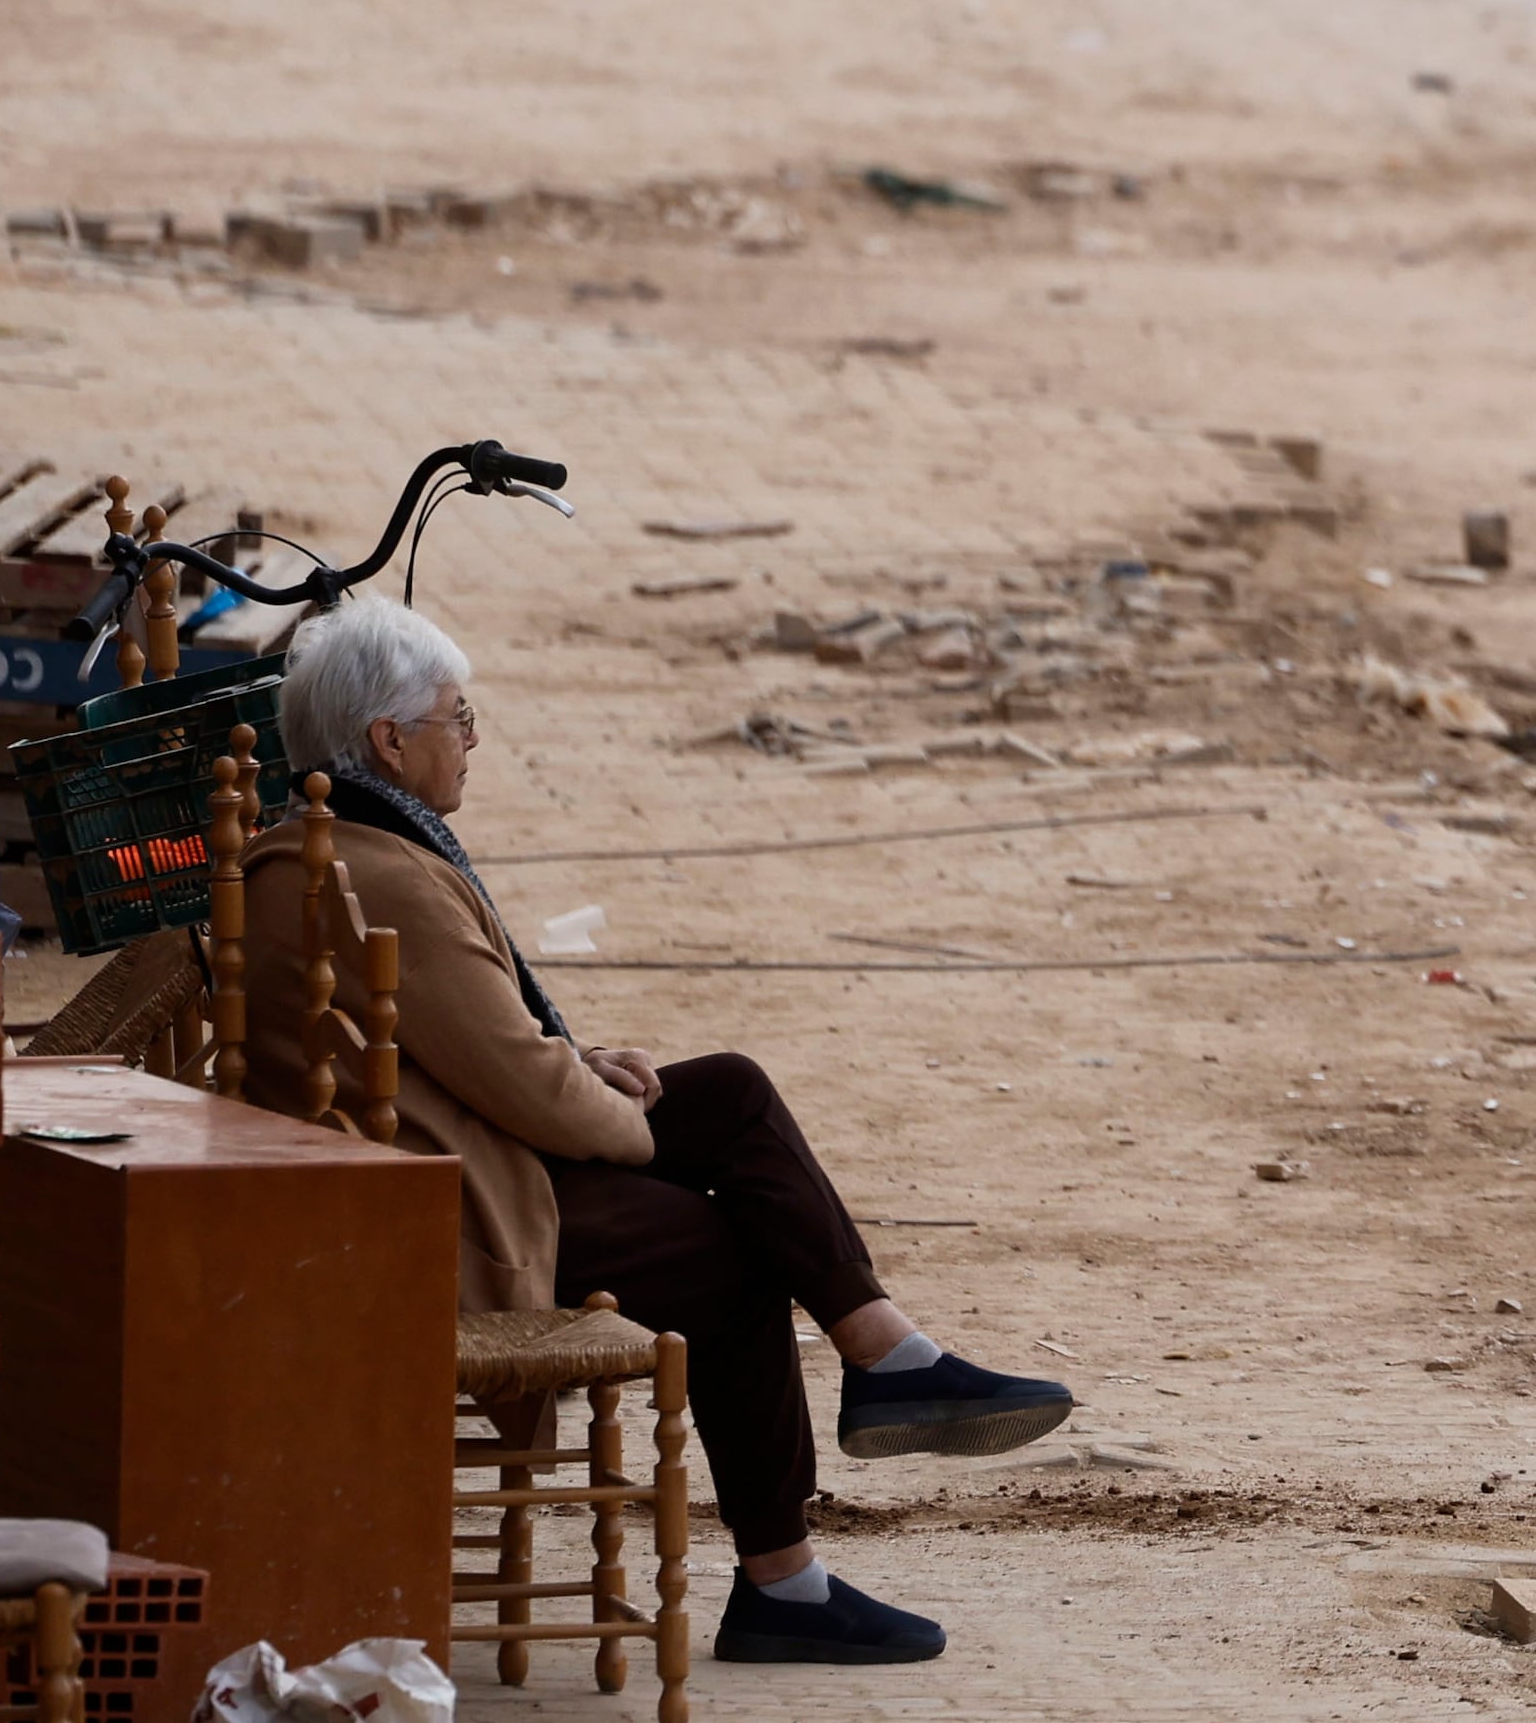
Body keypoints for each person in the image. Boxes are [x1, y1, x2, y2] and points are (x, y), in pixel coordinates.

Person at [247, 596, 1074, 1665]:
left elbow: (475, 1051)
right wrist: (616, 1118)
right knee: (732, 1252)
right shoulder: (386, 872)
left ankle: (886, 1354)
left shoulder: (334, 845)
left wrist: (586, 1074)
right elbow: (526, 1092)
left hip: (435, 1164)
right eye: (459, 718)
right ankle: (793, 1566)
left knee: (727, 1092)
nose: (473, 741)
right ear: (388, 742)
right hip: (443, 1212)